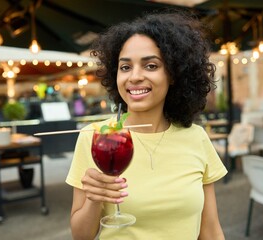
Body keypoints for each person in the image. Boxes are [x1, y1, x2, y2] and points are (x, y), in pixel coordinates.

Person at [65, 11, 227, 240]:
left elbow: (210, 231)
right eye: (125, 67)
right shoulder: (96, 137)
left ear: (173, 74)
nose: (135, 77)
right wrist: (94, 198)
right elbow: (81, 235)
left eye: (151, 66)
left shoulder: (196, 138)